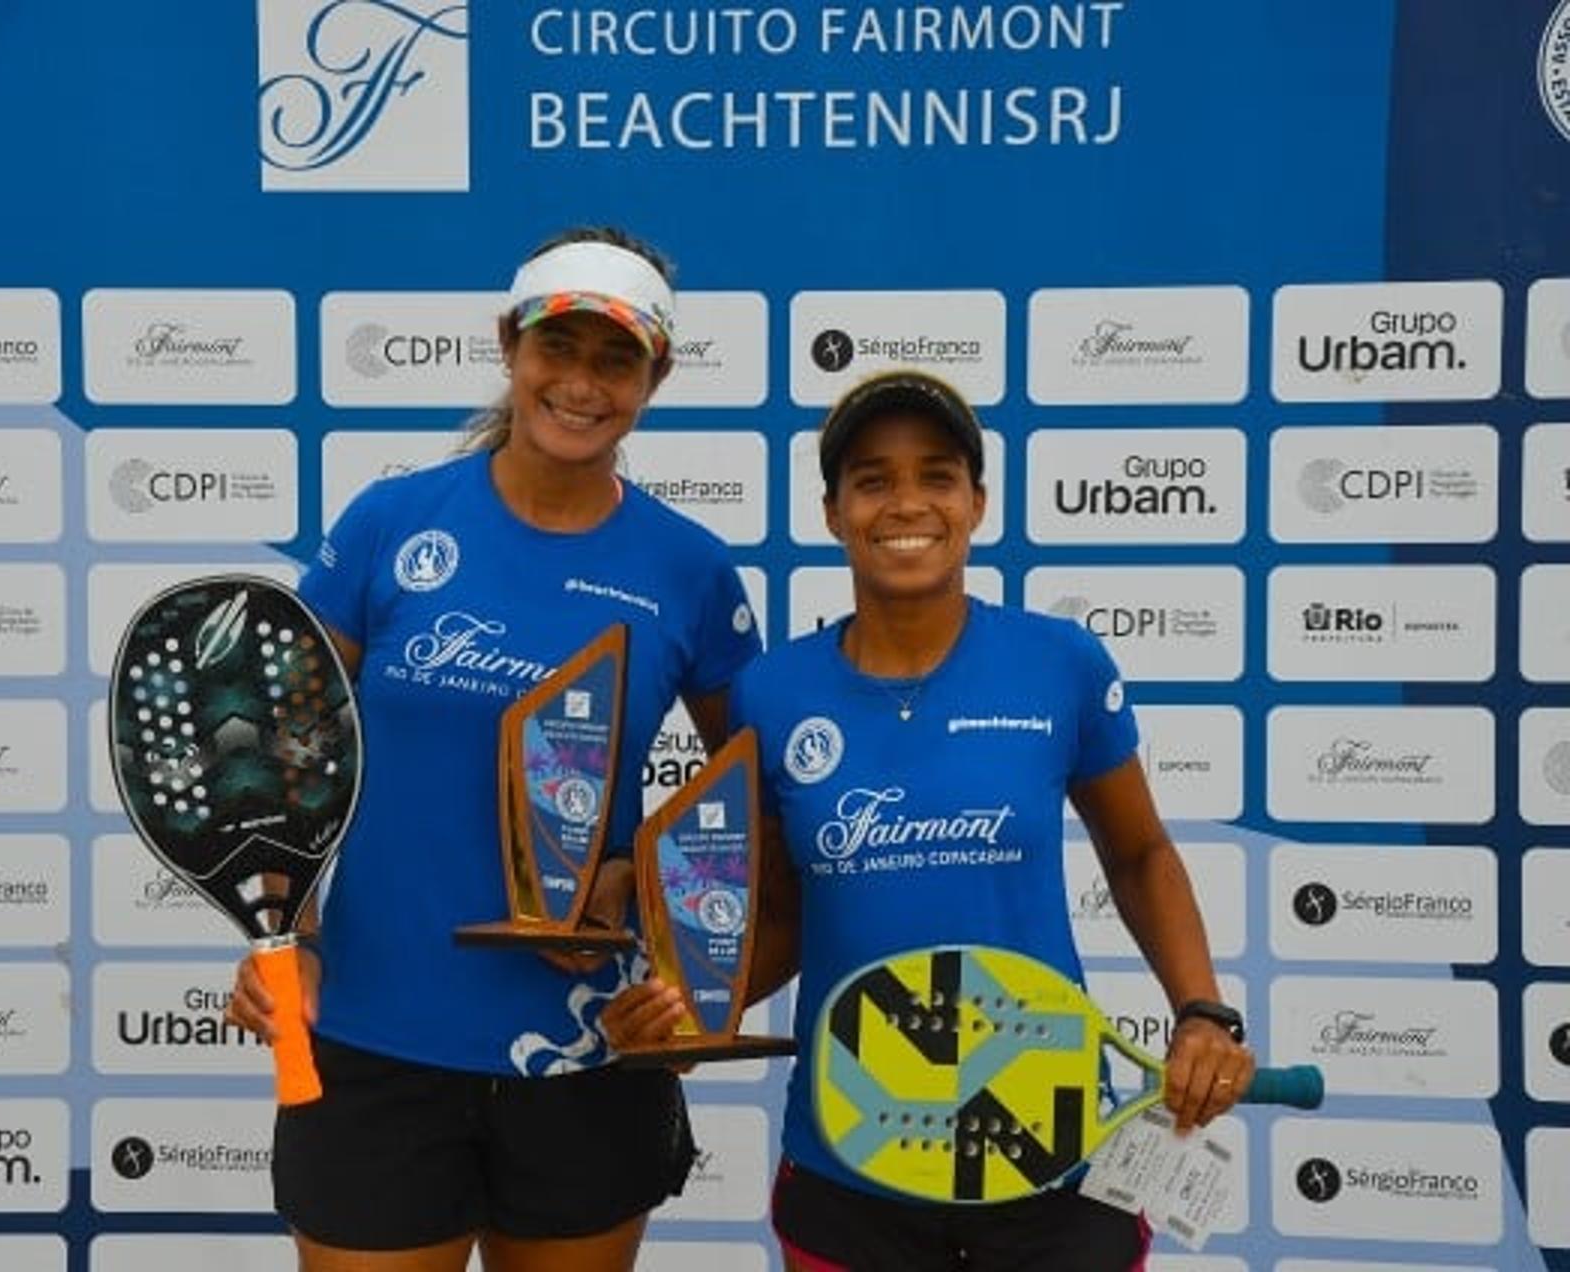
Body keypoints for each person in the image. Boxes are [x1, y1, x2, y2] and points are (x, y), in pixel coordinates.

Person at [601, 369, 1254, 1271]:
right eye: (871, 480)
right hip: (852, 1160)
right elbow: (780, 917)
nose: (906, 502)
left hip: (1051, 1150)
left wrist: (1204, 1012)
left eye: (937, 475)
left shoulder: (1058, 663)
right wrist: (688, 1015)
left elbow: (1139, 854)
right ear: (832, 512)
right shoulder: (770, 694)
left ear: (977, 501)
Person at [224, 227, 760, 1272]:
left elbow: (755, 803)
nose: (582, 383)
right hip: (374, 1040)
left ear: (659, 373)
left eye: (616, 358)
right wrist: (280, 927)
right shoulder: (392, 522)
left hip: (588, 1051)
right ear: (509, 343)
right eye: (558, 347)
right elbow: (279, 756)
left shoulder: (689, 569)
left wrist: (644, 895)